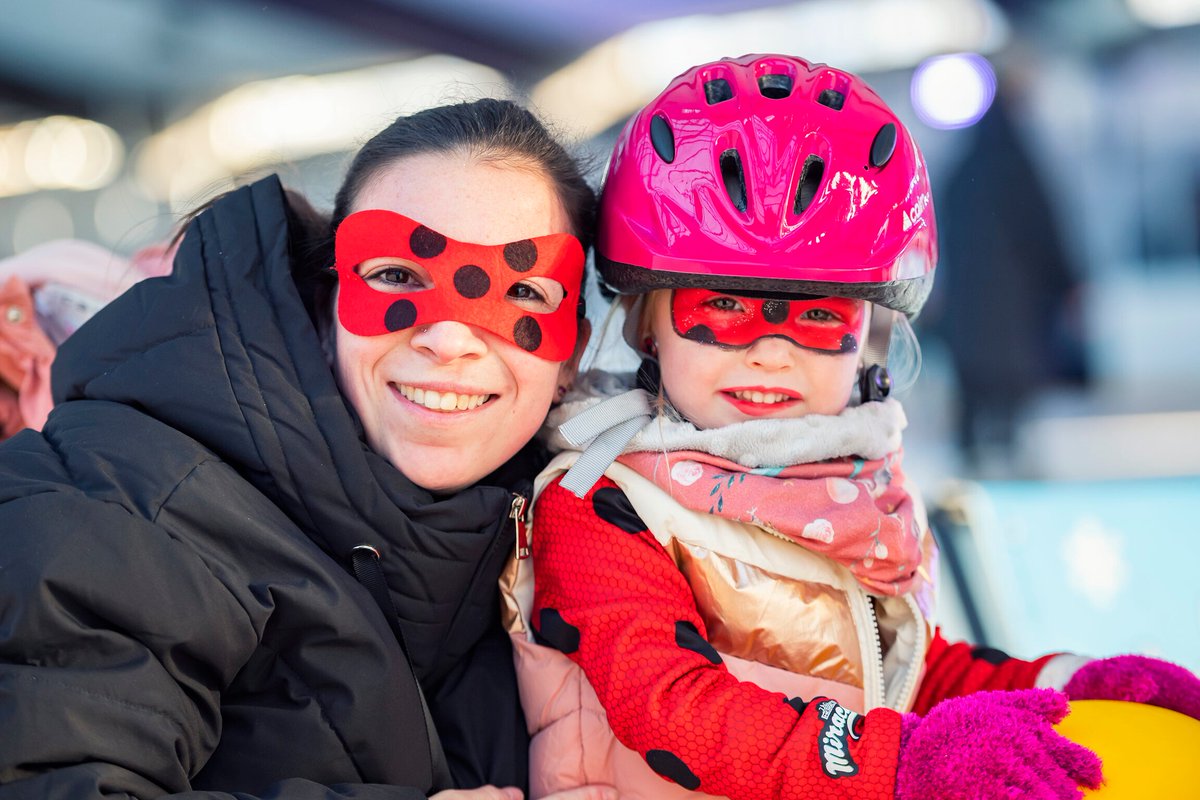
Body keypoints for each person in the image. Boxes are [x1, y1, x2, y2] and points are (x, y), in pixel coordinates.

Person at [500, 55, 1200, 799]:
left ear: (866, 339)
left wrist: (1067, 687)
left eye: (817, 317)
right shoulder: (604, 503)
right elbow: (676, 706)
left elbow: (908, 671)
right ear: (648, 326)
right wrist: (905, 761)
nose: (770, 353)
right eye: (722, 309)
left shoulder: (851, 493)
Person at [0, 98, 614, 800]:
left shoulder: (596, 563)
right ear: (324, 307)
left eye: (523, 291)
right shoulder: (118, 501)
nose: (449, 341)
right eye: (398, 276)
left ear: (573, 356)